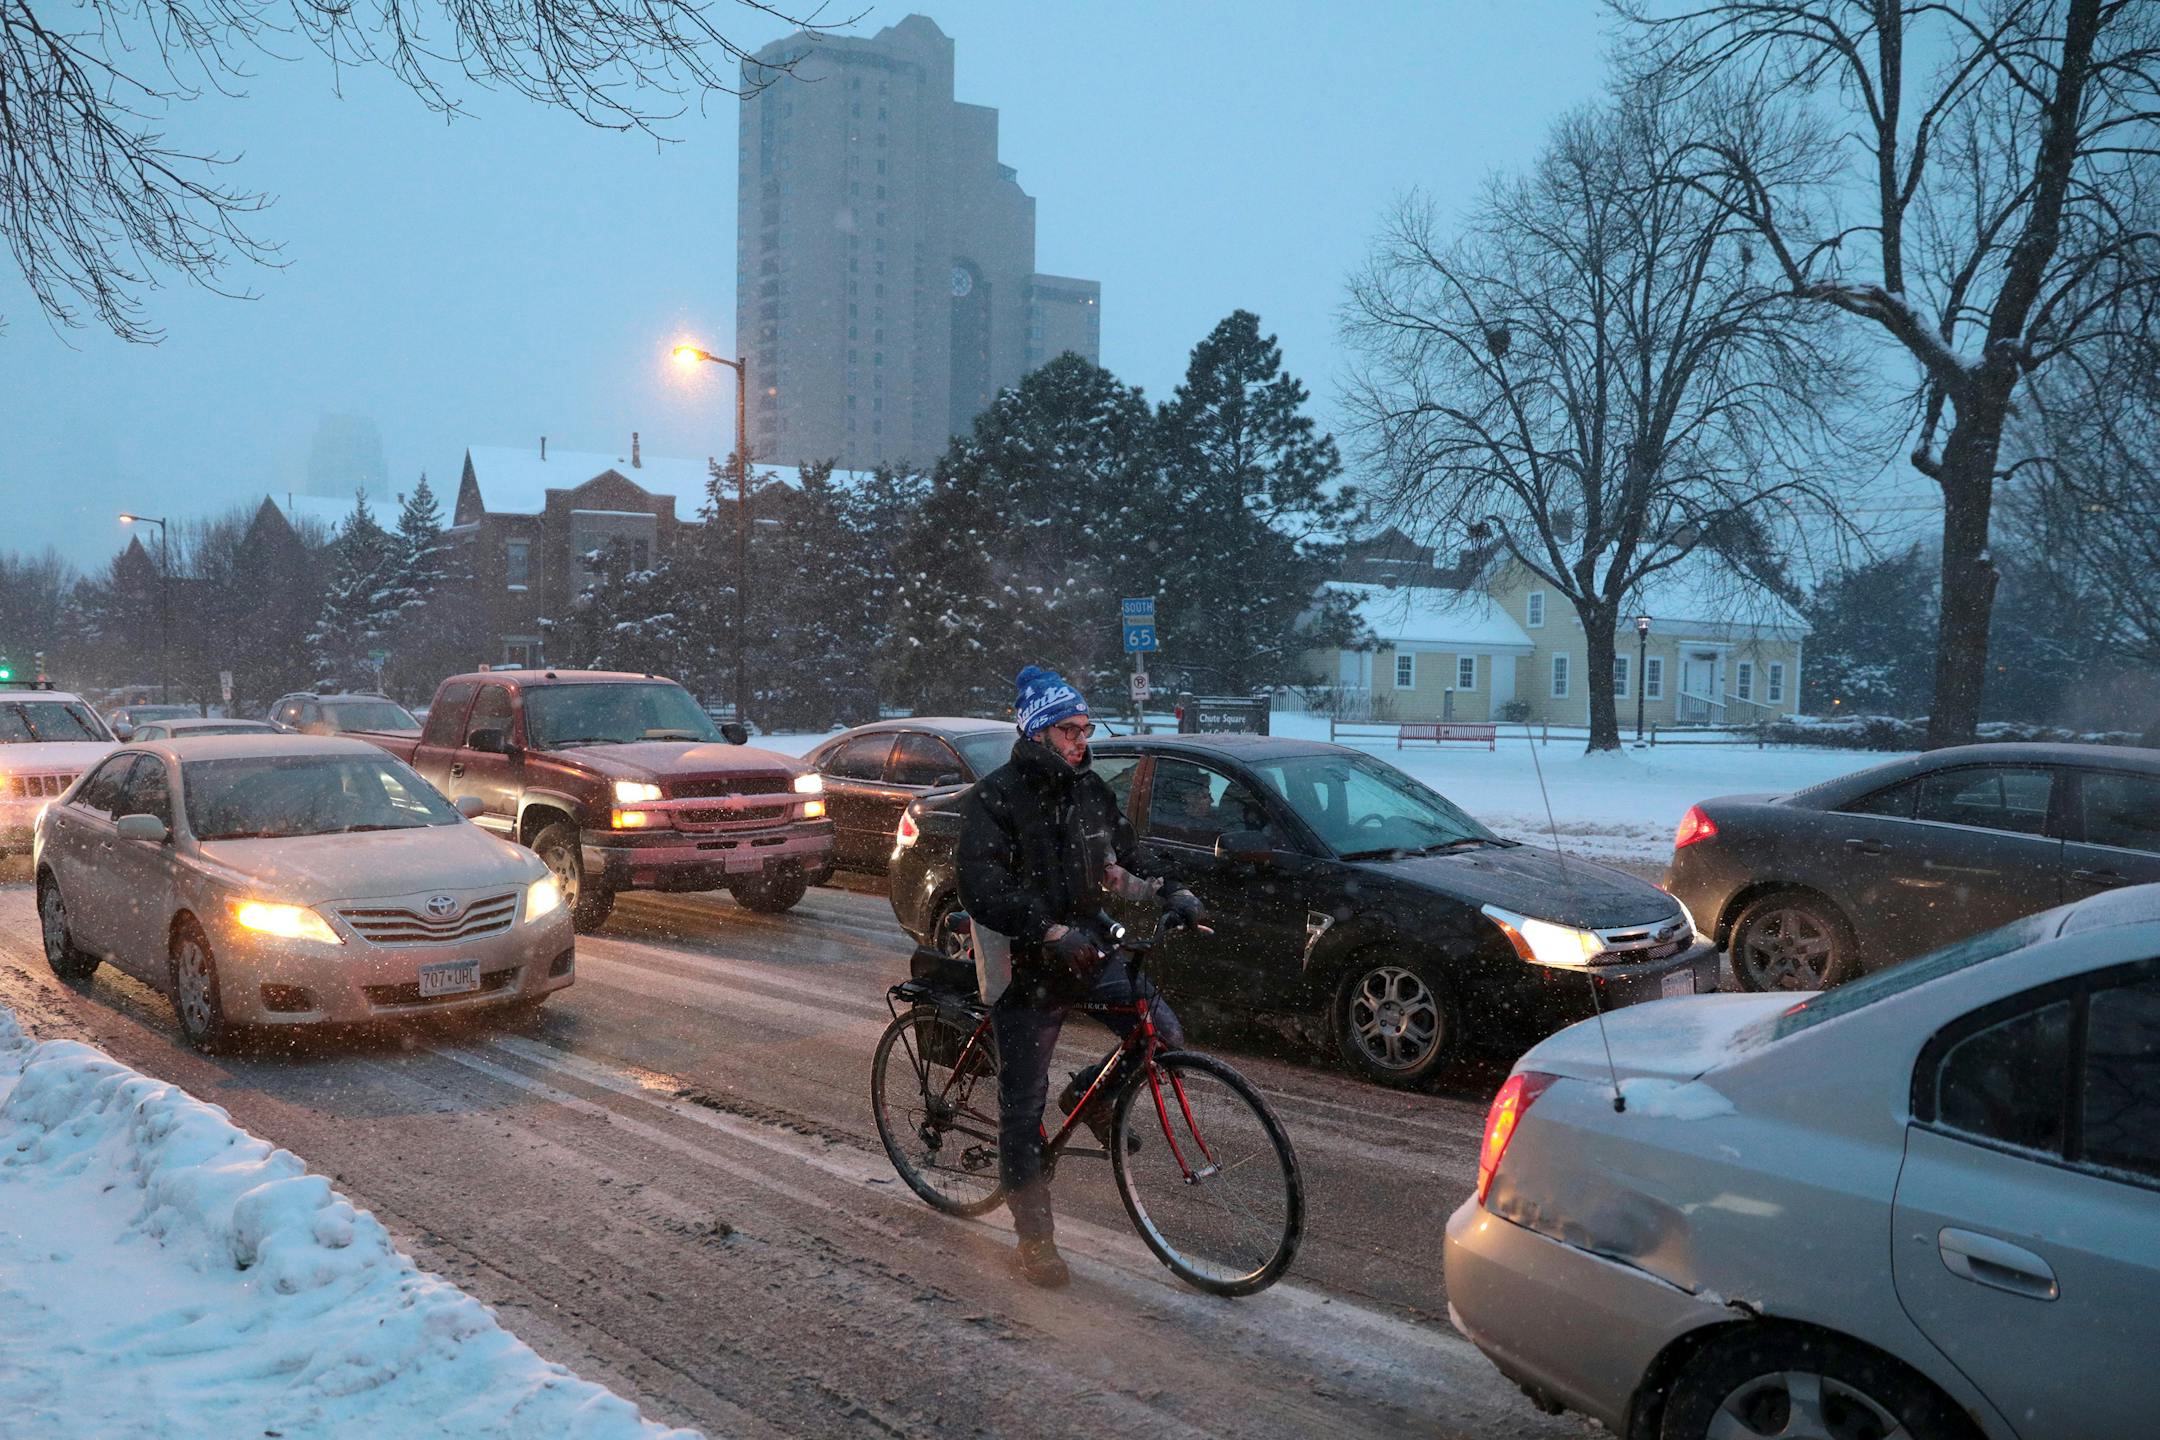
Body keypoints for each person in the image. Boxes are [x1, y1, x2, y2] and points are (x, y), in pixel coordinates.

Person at [955, 665, 1206, 1288]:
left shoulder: (1088, 790)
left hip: (1086, 945)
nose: (1081, 740)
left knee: (1162, 1033)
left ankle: (1090, 1097)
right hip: (1024, 961)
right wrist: (1048, 930)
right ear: (1038, 731)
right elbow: (984, 887)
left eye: (1086, 729)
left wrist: (1171, 890)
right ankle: (1034, 1240)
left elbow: (1125, 854)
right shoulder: (995, 797)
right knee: (1023, 1107)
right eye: (1069, 729)